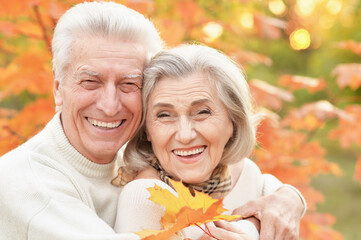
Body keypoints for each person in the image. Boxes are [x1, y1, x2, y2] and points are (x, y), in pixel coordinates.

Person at [0, 1, 305, 240]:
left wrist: (289, 198)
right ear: (58, 89)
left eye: (129, 84)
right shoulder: (28, 185)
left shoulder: (129, 153)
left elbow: (252, 181)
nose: (109, 106)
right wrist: (252, 228)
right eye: (90, 81)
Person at [113, 44, 306, 240]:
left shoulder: (245, 174)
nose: (185, 135)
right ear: (147, 130)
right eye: (165, 115)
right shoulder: (144, 198)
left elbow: (277, 194)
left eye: (202, 112)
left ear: (233, 120)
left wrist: (292, 198)